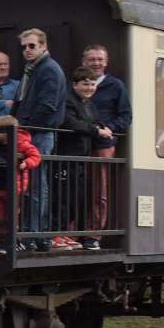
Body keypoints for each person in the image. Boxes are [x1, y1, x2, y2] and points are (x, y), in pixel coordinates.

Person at [11, 29, 66, 251]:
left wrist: (26, 127)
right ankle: (35, 234)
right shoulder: (34, 70)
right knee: (33, 184)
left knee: (34, 185)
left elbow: (47, 104)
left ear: (43, 46)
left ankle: (32, 235)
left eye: (32, 46)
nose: (27, 50)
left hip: (39, 133)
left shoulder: (48, 69)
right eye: (24, 47)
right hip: (33, 132)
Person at [53, 67, 111, 250]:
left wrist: (103, 127)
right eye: (85, 84)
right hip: (65, 156)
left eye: (93, 84)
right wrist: (96, 131)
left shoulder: (89, 104)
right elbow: (69, 122)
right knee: (62, 197)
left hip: (80, 159)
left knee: (75, 198)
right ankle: (55, 234)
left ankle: (64, 234)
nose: (89, 88)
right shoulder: (69, 101)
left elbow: (96, 121)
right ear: (75, 84)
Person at [81, 44, 130, 239]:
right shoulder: (74, 85)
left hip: (102, 146)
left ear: (106, 62)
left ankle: (94, 235)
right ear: (84, 62)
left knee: (98, 192)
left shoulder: (115, 86)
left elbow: (126, 116)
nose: (96, 63)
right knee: (76, 190)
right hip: (78, 145)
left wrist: (110, 128)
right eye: (92, 59)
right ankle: (72, 233)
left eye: (100, 59)